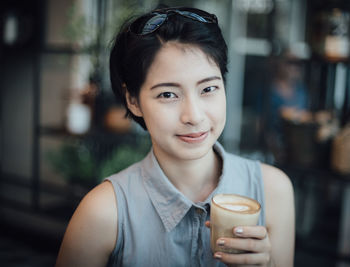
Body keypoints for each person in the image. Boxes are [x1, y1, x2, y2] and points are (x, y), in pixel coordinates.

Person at [55, 6, 295, 267]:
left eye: (208, 88)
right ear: (133, 100)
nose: (193, 116)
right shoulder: (102, 213)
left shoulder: (273, 191)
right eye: (168, 94)